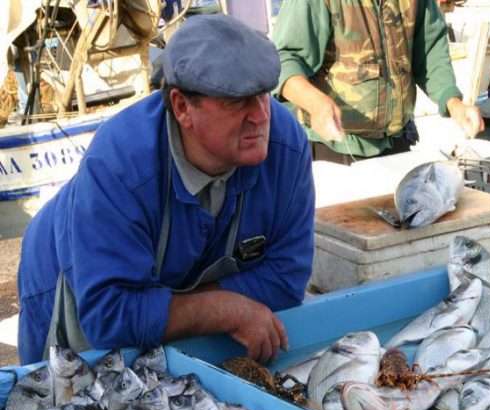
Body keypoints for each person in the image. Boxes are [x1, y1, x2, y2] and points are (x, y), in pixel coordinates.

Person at [17, 14, 315, 365]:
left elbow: (287, 277)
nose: (261, 116)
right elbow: (108, 314)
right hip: (68, 277)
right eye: (237, 102)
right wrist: (227, 309)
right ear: (182, 107)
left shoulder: (287, 145)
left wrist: (170, 310)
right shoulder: (119, 166)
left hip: (158, 281)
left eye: (264, 95)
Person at [271, 0, 485, 162]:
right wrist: (315, 104)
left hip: (396, 142)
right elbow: (284, 60)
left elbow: (429, 50)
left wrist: (453, 103)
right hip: (332, 147)